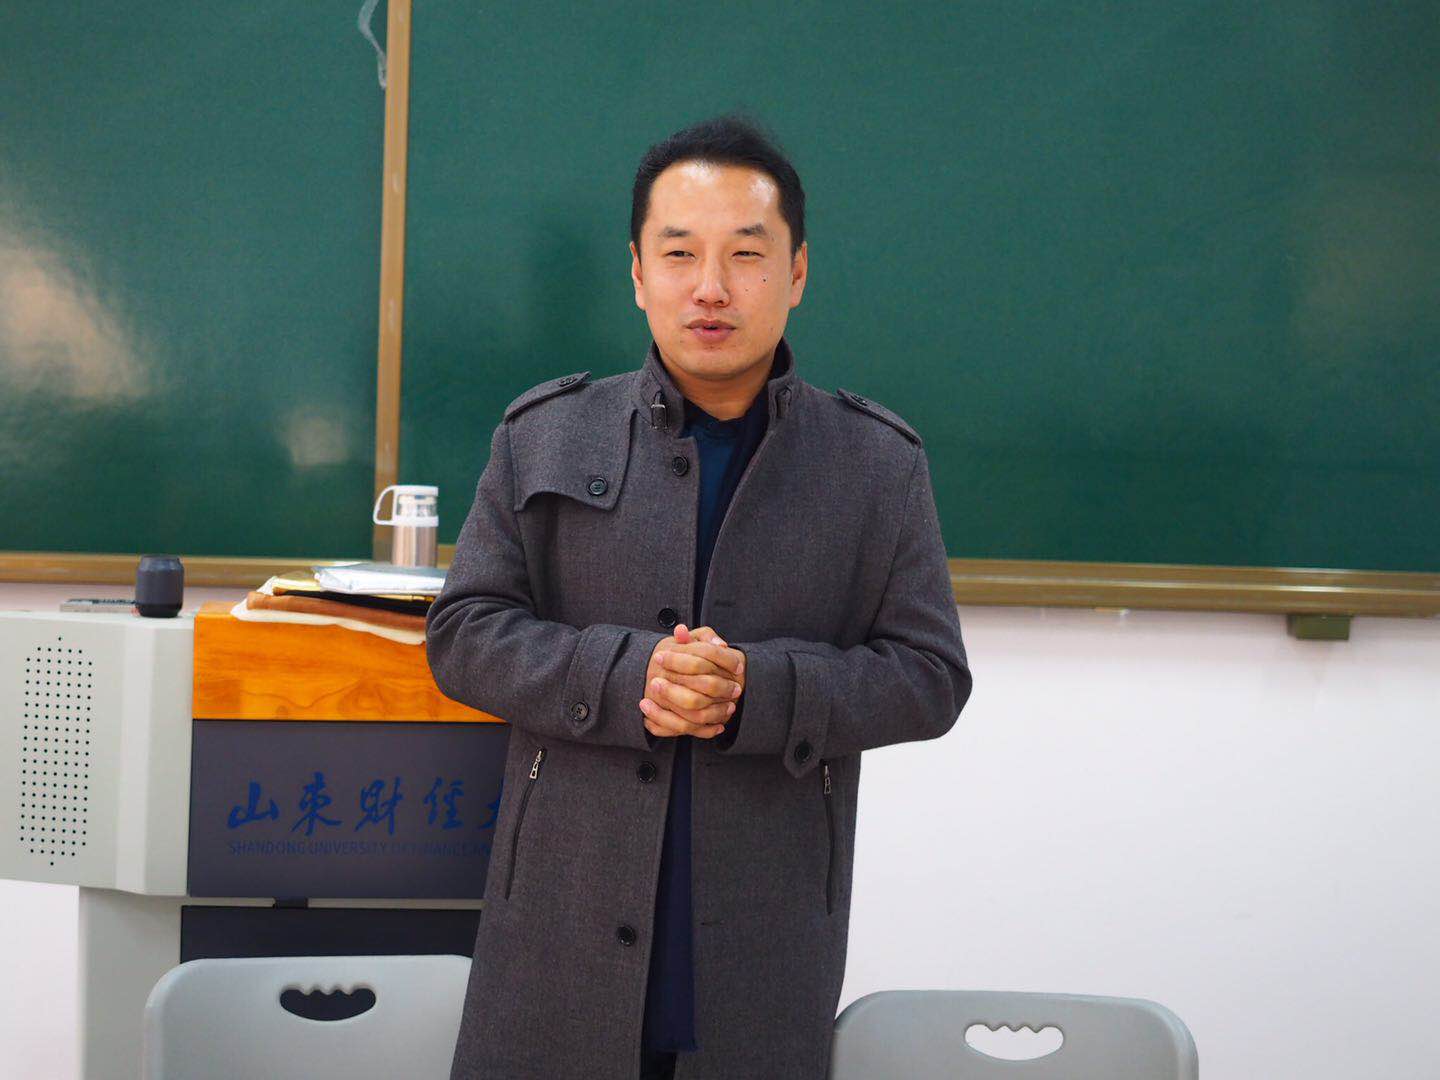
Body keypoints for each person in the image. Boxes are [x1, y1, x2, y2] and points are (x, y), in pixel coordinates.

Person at [426, 114, 973, 1080]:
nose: (711, 287)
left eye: (746, 255)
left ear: (797, 273)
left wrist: (761, 693)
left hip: (766, 945)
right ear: (638, 273)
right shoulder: (543, 434)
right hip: (557, 934)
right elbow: (465, 633)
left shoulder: (875, 463)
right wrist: (626, 675)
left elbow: (929, 677)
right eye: (679, 253)